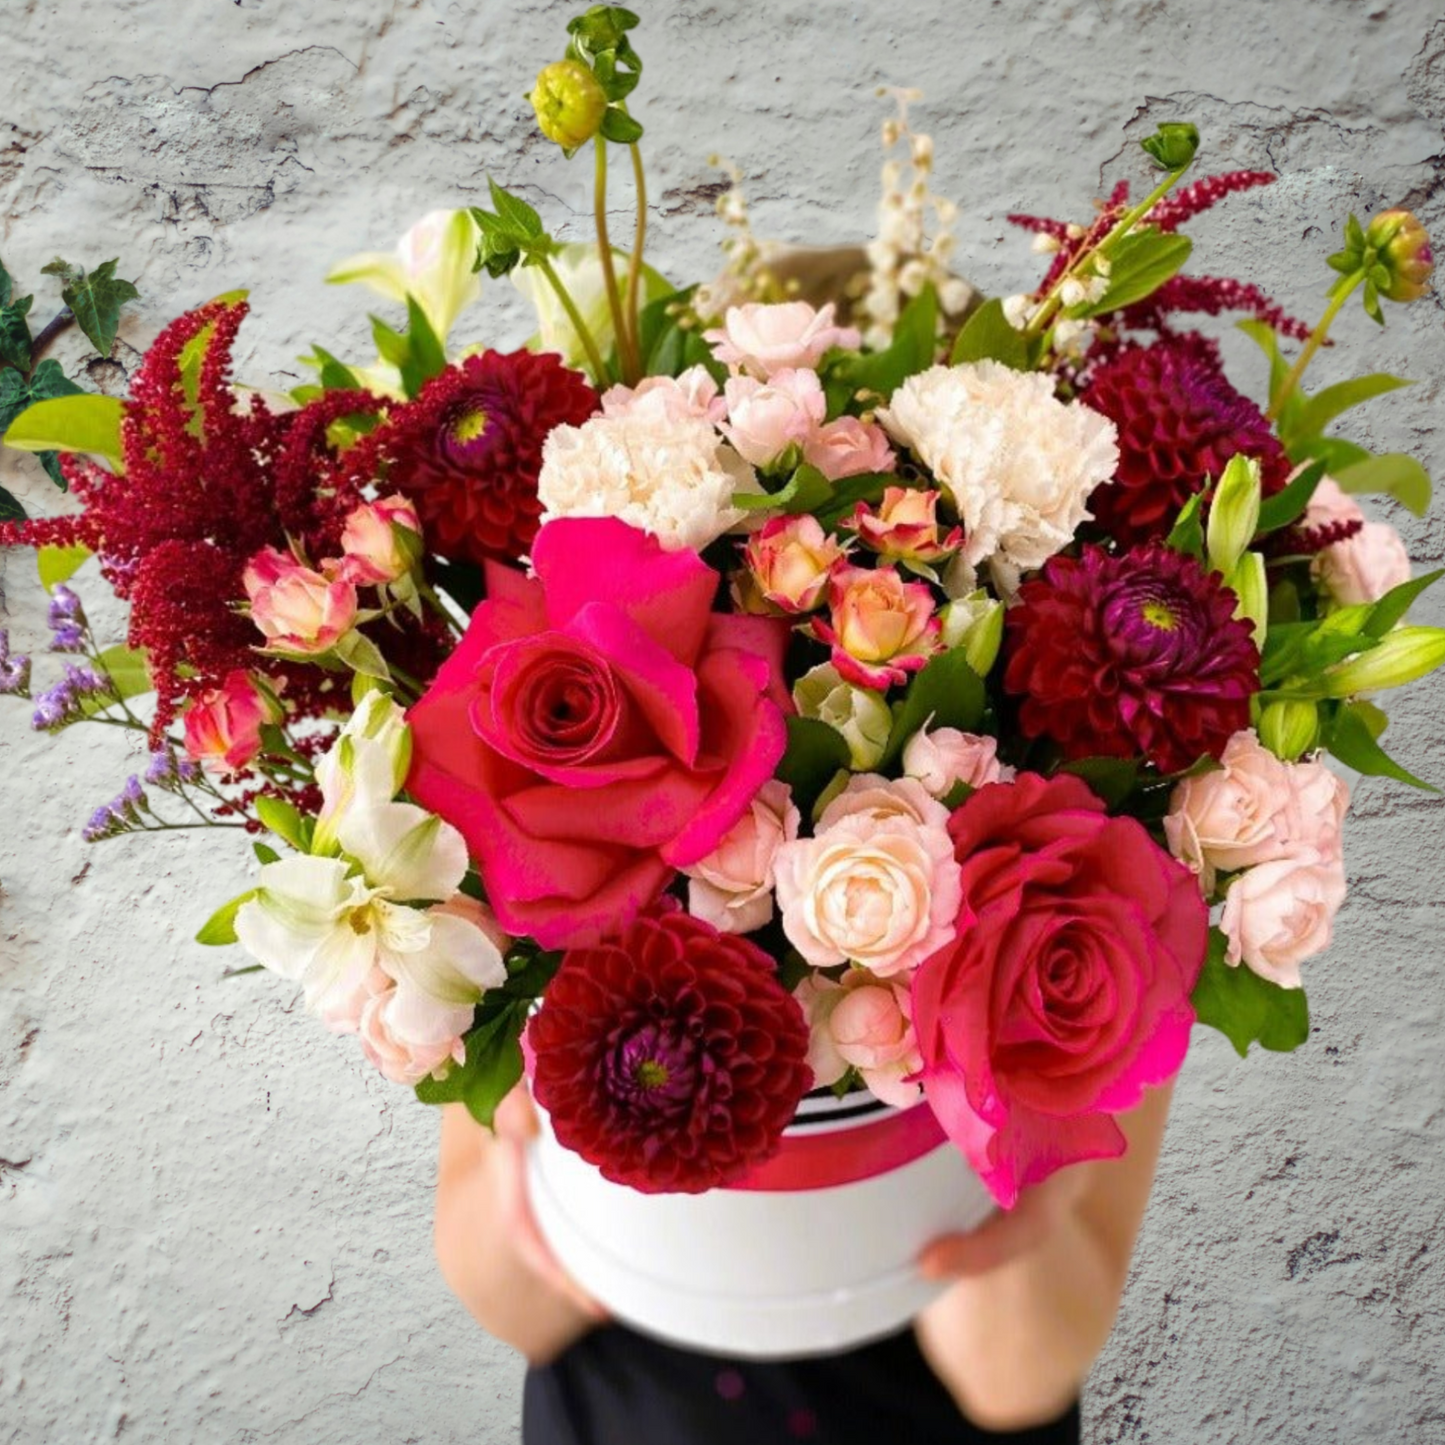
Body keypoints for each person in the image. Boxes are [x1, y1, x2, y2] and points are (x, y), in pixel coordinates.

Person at [433, 1082, 1175, 1443]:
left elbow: (1013, 1377)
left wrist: (1013, 1155)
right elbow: (522, 1310)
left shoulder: (1101, 889)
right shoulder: (518, 858)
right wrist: (530, 1145)